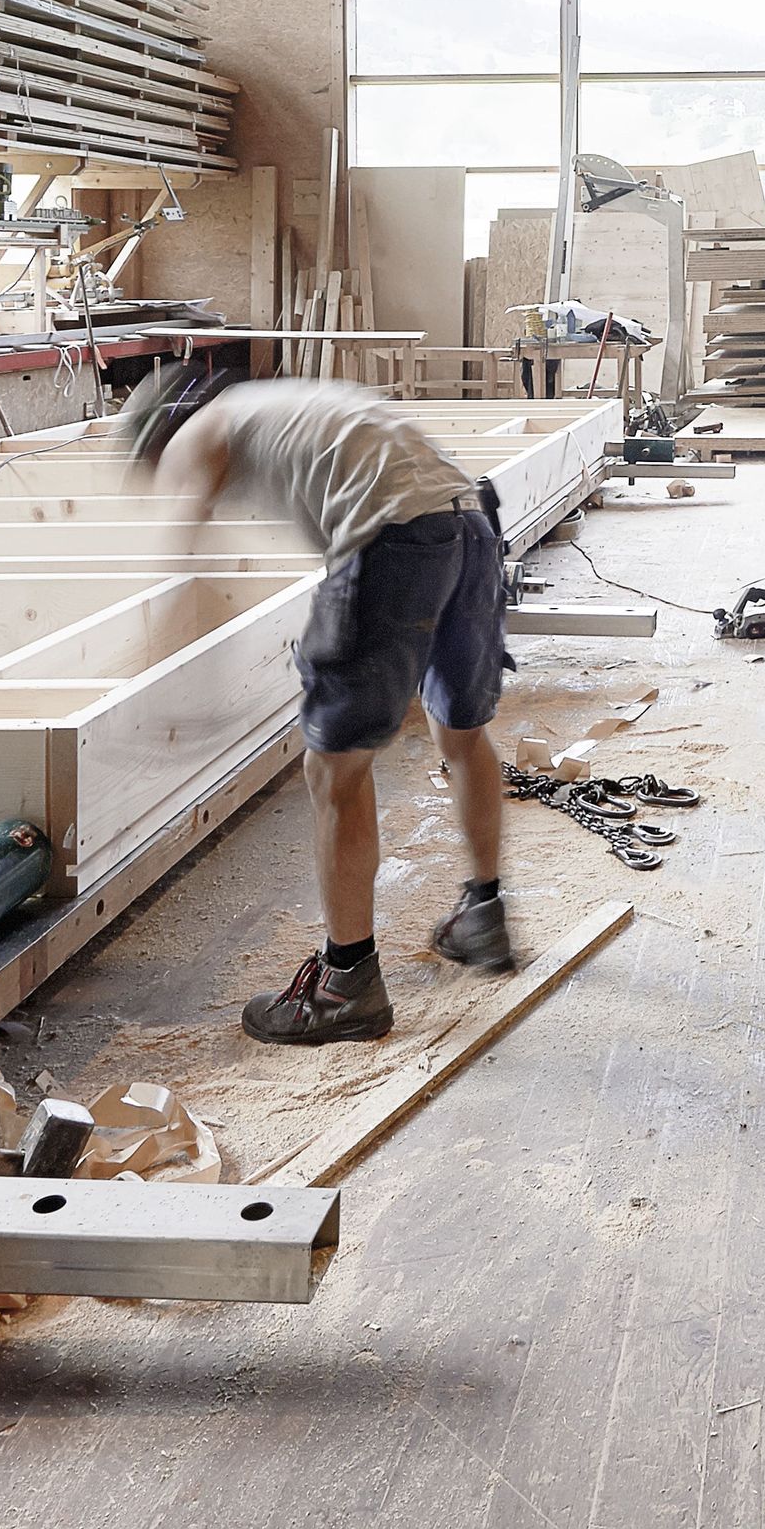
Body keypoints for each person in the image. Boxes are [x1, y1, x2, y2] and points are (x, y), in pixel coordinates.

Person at [142, 372, 517, 1043]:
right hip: (469, 524)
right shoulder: (286, 407)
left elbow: (182, 552)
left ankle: (347, 986)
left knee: (333, 771)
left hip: (395, 536)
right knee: (460, 729)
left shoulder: (195, 430)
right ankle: (482, 915)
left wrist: (165, 680)